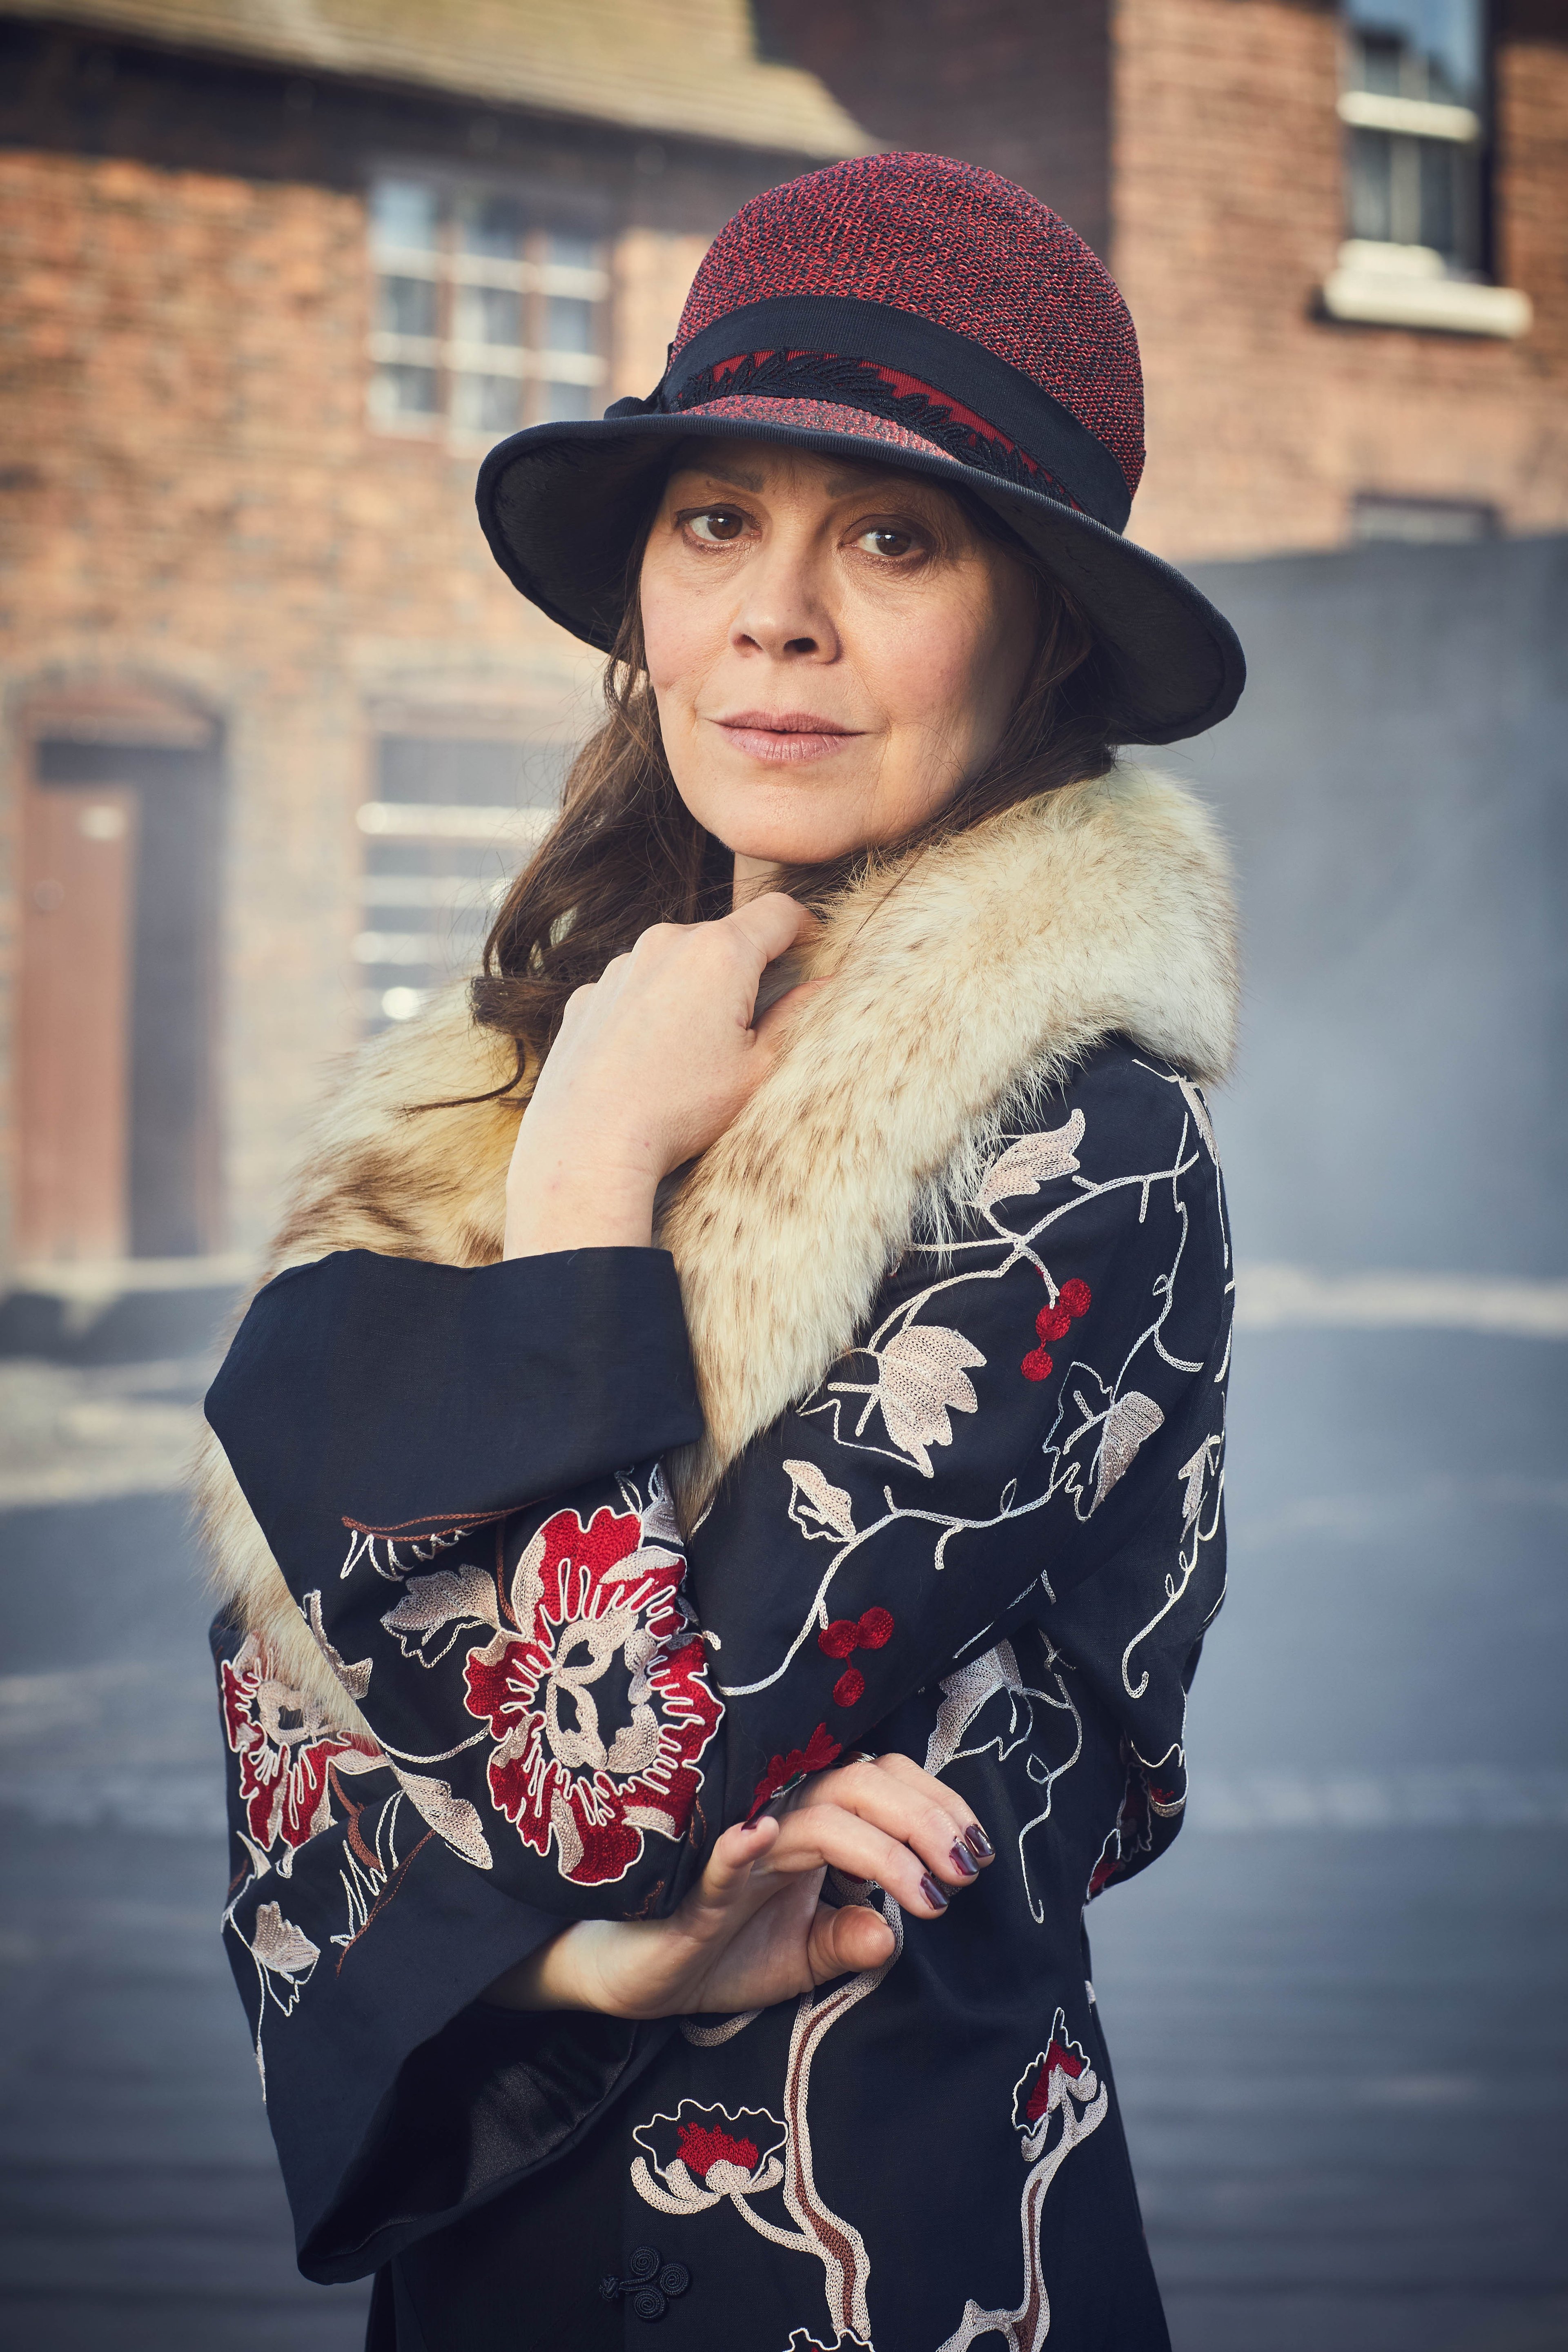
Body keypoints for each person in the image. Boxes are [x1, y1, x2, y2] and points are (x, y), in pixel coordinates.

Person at [197, 152, 1243, 2350]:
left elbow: (610, 1787)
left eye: (893, 537)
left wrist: (591, 1186)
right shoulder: (493, 1094)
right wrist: (596, 1970)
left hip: (884, 2255)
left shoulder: (1086, 1147)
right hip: (494, 2265)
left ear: (1042, 625)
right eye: (715, 521)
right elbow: (288, 1762)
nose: (776, 616)